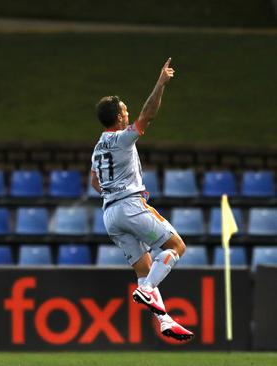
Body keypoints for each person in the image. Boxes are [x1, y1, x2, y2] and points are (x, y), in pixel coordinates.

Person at [90, 58, 193, 341]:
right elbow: (148, 115)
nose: (129, 113)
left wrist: (114, 189)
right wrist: (160, 83)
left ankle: (164, 320)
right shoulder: (123, 138)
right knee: (176, 246)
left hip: (109, 215)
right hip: (129, 205)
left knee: (145, 269)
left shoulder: (97, 149)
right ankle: (147, 291)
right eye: (125, 111)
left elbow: (94, 182)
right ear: (119, 118)